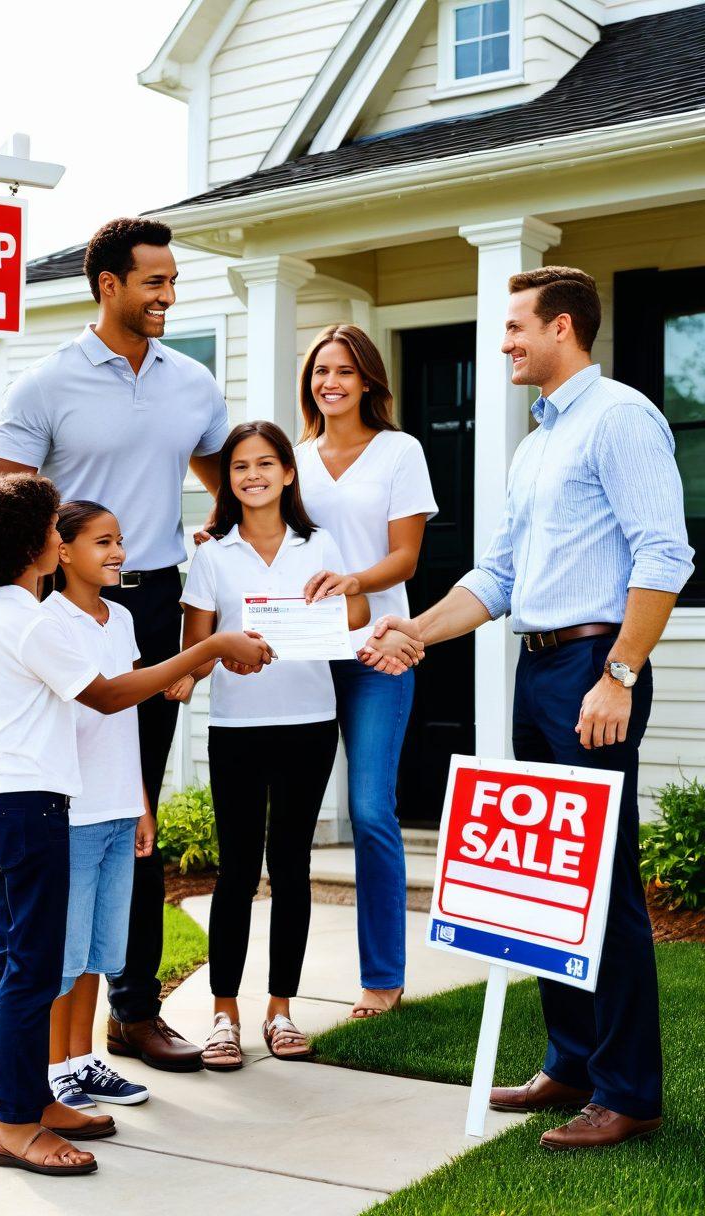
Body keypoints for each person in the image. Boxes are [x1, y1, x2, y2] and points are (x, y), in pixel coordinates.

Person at [365, 267, 694, 1149]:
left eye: (514, 327)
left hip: (596, 663)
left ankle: (629, 1093)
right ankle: (573, 1061)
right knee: (550, 877)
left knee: (603, 883)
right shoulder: (533, 441)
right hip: (538, 667)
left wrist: (619, 673)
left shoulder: (620, 418)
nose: (503, 343)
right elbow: (499, 578)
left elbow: (664, 553)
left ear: (562, 328)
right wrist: (415, 633)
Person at [0, 473, 272, 1176]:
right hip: (30, 808)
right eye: (46, 527)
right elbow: (109, 695)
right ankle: (17, 1126)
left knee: (12, 961)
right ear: (29, 545)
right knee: (32, 970)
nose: (51, 535)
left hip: (0, 803)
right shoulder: (31, 620)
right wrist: (210, 648)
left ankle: (22, 1100)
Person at [0, 216, 228, 1071]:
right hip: (62, 608)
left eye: (172, 281)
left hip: (148, 606)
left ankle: (133, 1008)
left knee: (132, 806)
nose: (167, 295)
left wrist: (221, 572)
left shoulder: (193, 383)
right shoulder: (43, 385)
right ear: (108, 285)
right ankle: (45, 1036)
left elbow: (225, 482)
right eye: (153, 282)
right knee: (60, 811)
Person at [176, 421, 370, 1067]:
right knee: (235, 872)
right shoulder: (212, 555)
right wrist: (208, 662)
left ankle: (281, 1011)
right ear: (227, 480)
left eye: (266, 463)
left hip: (309, 722)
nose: (253, 475)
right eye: (239, 467)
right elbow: (195, 654)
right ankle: (223, 1015)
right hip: (236, 729)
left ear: (289, 473)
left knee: (291, 869)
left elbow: (357, 617)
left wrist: (348, 591)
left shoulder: (320, 544)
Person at [294, 324, 436, 1019]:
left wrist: (352, 581)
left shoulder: (399, 451)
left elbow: (405, 558)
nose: (332, 382)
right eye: (322, 370)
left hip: (379, 652)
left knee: (373, 808)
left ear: (369, 382)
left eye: (346, 371)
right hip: (306, 658)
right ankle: (275, 991)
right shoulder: (293, 459)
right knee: (291, 817)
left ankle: (383, 975)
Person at [43, 501, 155, 1112]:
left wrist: (139, 801)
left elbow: (128, 720)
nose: (117, 552)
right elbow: (104, 701)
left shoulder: (122, 621)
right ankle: (53, 1067)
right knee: (62, 953)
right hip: (72, 811)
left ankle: (84, 1061)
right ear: (62, 552)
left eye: (120, 540)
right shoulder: (50, 622)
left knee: (99, 951)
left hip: (116, 806)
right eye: (102, 541)